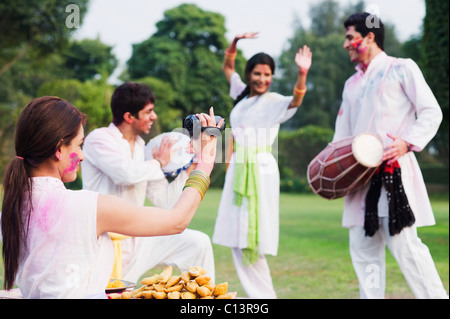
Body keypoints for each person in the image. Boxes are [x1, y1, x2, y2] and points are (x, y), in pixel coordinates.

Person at [0, 96, 220, 298]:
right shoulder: (87, 206)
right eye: (78, 145)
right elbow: (177, 221)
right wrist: (205, 163)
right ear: (59, 149)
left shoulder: (9, 210)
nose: (83, 156)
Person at [333, 12, 448, 299]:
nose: (346, 44)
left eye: (350, 37)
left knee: (407, 251)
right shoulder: (350, 84)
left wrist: (408, 143)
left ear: (369, 37)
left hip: (394, 177)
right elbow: (342, 136)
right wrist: (334, 170)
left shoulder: (402, 68)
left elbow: (432, 112)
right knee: (364, 255)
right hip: (360, 184)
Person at [81, 82, 215, 283]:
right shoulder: (99, 139)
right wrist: (159, 162)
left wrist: (190, 166)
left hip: (137, 237)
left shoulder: (144, 148)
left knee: (198, 243)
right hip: (103, 241)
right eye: (148, 112)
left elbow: (165, 202)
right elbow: (125, 173)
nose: (154, 117)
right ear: (129, 117)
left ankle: (204, 303)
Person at [212, 32, 312, 298]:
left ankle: (263, 297)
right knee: (237, 234)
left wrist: (302, 73)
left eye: (268, 75)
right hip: (239, 167)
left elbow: (297, 100)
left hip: (259, 168)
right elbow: (227, 67)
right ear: (249, 75)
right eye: (257, 74)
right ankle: (260, 295)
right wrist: (234, 43)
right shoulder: (241, 95)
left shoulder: (274, 102)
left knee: (250, 236)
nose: (263, 79)